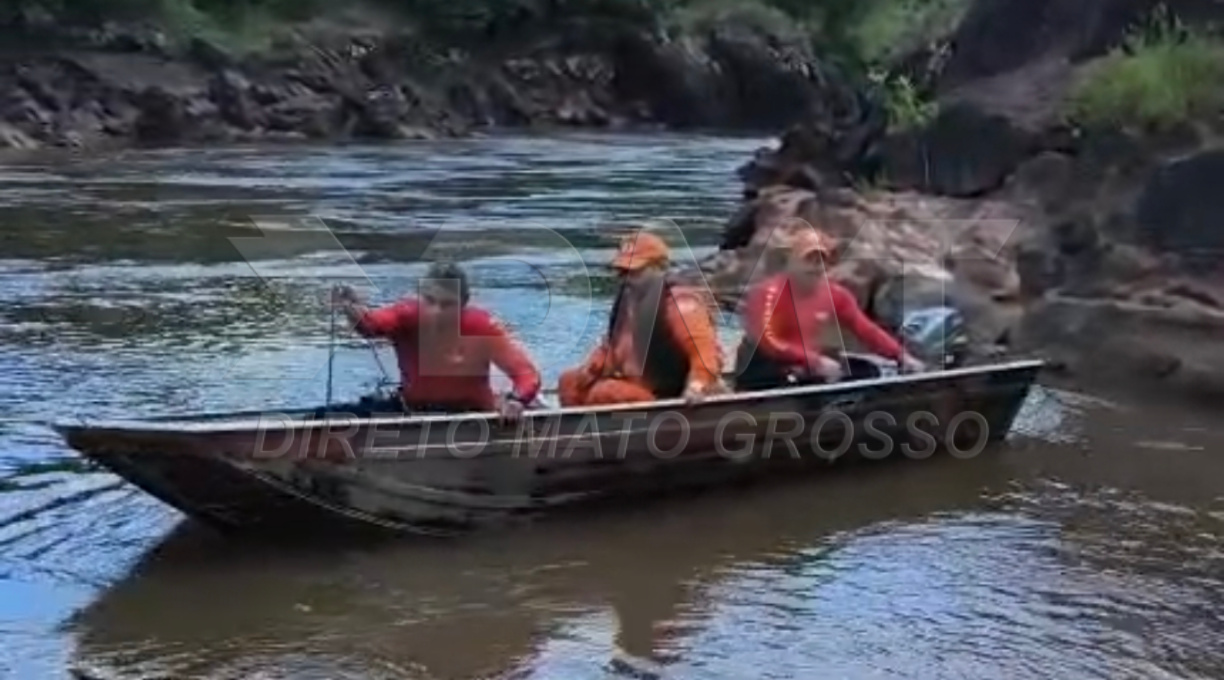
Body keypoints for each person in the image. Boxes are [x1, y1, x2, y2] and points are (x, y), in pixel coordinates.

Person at [332, 261, 541, 422]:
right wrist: (350, 306)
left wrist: (517, 400)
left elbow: (526, 374)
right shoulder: (406, 315)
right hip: (412, 412)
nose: (437, 312)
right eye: (430, 301)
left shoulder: (482, 326)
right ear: (420, 297)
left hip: (473, 417)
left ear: (464, 304)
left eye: (447, 305)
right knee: (323, 418)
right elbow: (370, 326)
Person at [735, 229, 924, 391]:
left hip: (805, 366)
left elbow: (867, 330)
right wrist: (815, 361)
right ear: (791, 261)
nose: (817, 267)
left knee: (868, 372)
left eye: (821, 260)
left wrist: (901, 355)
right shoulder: (767, 293)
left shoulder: (835, 295)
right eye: (809, 260)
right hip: (763, 367)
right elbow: (769, 340)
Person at [558, 231, 726, 406]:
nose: (626, 279)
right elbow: (611, 345)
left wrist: (697, 386)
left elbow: (705, 353)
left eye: (633, 272)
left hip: (663, 393)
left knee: (606, 393)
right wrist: (593, 367)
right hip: (632, 382)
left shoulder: (679, 304)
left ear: (658, 268)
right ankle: (574, 428)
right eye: (622, 272)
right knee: (569, 382)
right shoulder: (629, 300)